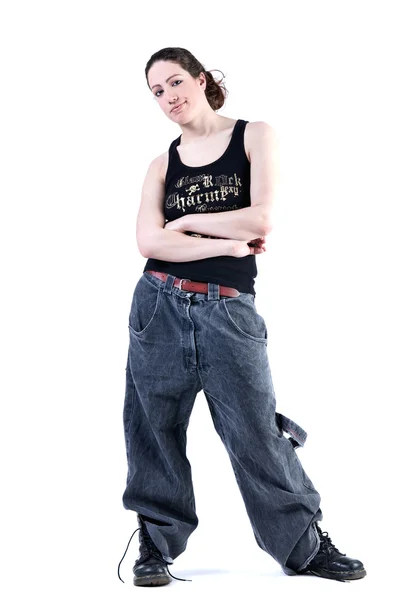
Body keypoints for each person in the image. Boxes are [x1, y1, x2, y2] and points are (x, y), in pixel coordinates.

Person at [117, 47, 366, 587]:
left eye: (176, 82)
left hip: (228, 310)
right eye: (156, 92)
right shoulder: (162, 163)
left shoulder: (254, 136)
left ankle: (302, 546)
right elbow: (147, 242)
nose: (168, 98)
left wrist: (184, 218)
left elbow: (263, 217)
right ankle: (154, 545)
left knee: (256, 427)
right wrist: (227, 245)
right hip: (158, 303)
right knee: (153, 428)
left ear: (202, 79)